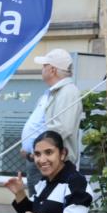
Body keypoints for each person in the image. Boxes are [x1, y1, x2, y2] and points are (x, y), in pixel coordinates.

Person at [21, 48, 82, 191]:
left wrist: (33, 151)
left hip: (49, 163)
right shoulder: (54, 91)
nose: (42, 69)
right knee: (38, 202)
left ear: (53, 70)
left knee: (44, 207)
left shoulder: (68, 91)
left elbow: (61, 129)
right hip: (41, 160)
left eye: (44, 66)